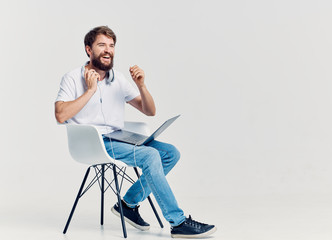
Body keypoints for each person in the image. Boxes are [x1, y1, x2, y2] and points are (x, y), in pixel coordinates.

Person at [54, 26, 216, 238]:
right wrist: (91, 90)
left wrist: (141, 86)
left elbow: (150, 111)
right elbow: (60, 115)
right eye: (101, 45)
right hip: (94, 143)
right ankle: (178, 222)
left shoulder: (118, 79)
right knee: (150, 155)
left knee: (170, 153)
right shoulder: (73, 78)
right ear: (88, 49)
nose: (107, 50)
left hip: (119, 138)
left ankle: (128, 204)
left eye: (111, 46)